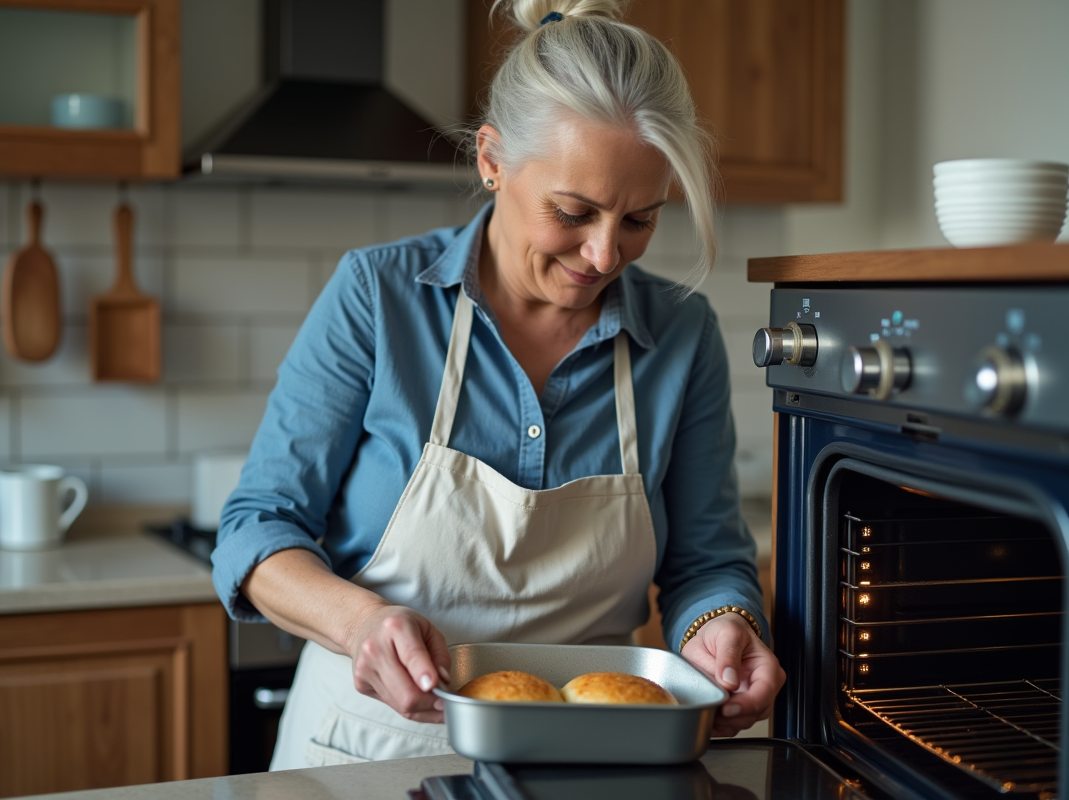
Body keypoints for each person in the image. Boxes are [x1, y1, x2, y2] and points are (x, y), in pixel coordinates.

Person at [212, 0, 786, 769]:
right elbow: (257, 530)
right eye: (573, 212)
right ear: (491, 160)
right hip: (363, 749)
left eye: (641, 219)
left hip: (591, 757)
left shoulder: (681, 336)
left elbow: (707, 560)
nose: (605, 253)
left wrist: (721, 625)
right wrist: (359, 623)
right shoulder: (379, 299)